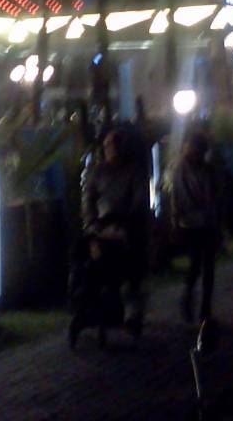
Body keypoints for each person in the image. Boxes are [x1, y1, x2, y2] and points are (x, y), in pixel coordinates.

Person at [71, 128, 147, 344]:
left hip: (125, 226)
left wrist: (125, 224)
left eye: (114, 146)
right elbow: (88, 201)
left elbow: (138, 201)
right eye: (107, 147)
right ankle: (82, 303)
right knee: (82, 257)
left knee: (130, 267)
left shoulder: (133, 171)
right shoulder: (98, 172)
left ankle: (130, 311)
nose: (111, 150)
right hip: (101, 227)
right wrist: (93, 225)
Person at [170, 130, 220, 324]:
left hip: (187, 223)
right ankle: (204, 308)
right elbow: (211, 200)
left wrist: (175, 222)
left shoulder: (177, 170)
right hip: (204, 223)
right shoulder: (206, 171)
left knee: (195, 264)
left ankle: (188, 299)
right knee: (207, 266)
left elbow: (175, 198)